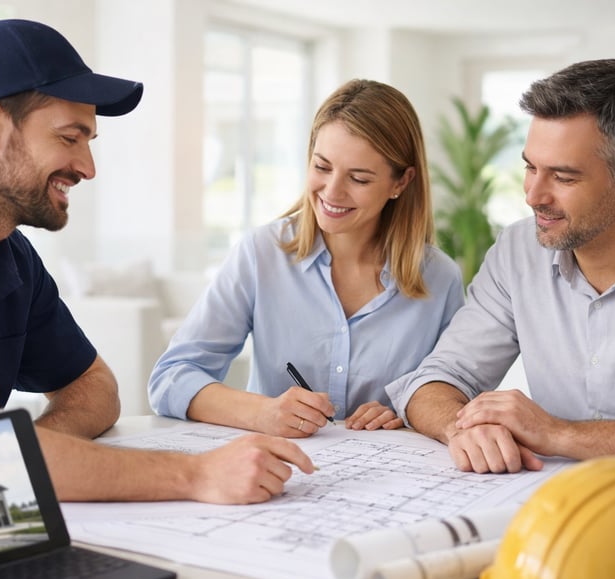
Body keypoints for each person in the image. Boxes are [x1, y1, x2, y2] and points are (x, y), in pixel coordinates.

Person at [0, 18, 315, 504]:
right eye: (69, 137)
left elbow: (95, 389)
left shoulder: (9, 255)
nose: (87, 167)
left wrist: (41, 454)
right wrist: (197, 475)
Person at [387, 59, 615, 474]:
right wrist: (463, 429)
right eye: (530, 167)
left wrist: (558, 434)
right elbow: (438, 379)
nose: (533, 195)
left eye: (563, 177)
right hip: (554, 509)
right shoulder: (517, 251)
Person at [148, 79, 465, 437]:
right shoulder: (261, 254)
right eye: (322, 167)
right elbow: (171, 377)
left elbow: (455, 398)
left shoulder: (440, 280)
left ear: (401, 182)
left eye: (358, 178)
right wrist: (261, 411)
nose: (332, 192)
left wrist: (408, 413)